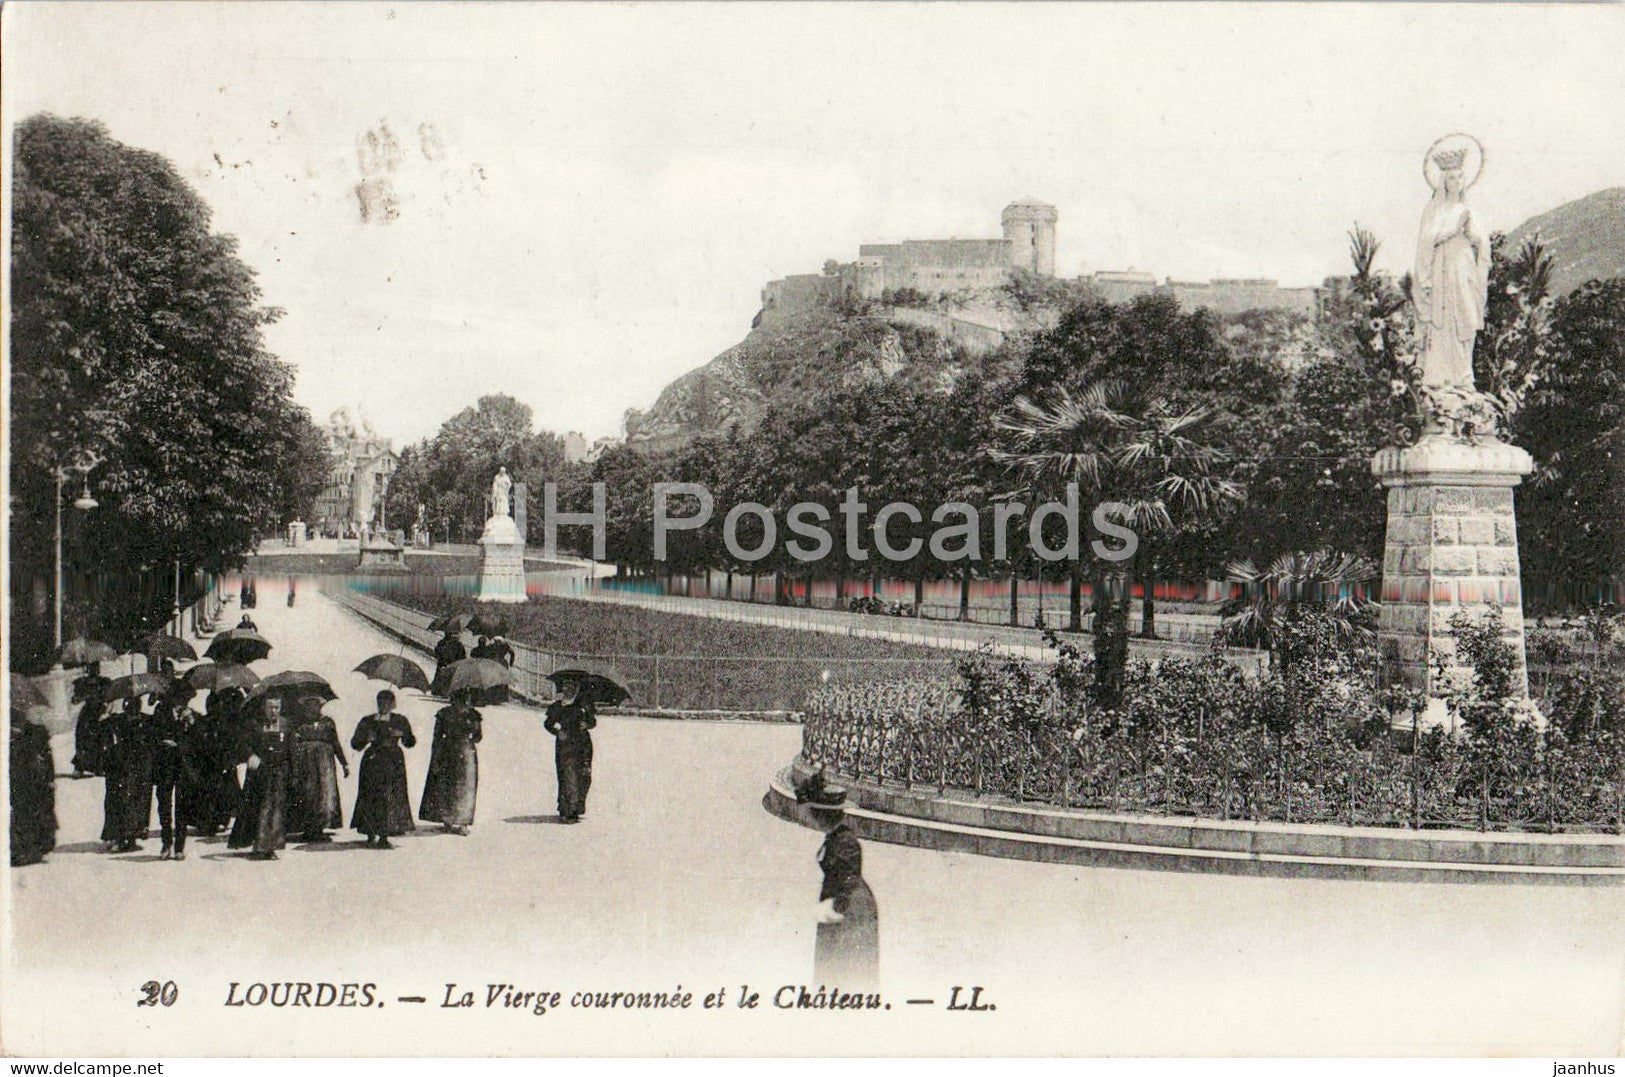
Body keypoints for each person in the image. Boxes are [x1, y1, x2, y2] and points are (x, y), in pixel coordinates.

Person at [1413, 142, 1490, 394]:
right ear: (1443, 181)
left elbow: (1481, 243)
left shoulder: (1468, 210)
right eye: (1451, 178)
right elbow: (1426, 239)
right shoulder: (1434, 209)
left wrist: (1472, 235)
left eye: (1460, 177)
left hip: (1464, 270)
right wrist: (1450, 231)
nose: (1457, 182)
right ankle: (1440, 375)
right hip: (1441, 273)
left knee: (1465, 318)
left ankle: (1464, 375)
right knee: (1443, 320)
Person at [806, 785, 879, 989]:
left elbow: (849, 878)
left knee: (846, 963)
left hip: (851, 904)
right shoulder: (836, 836)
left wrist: (836, 906)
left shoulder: (845, 841)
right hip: (841, 898)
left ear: (823, 817)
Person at [351, 691, 416, 848]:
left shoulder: (400, 720)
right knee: (370, 795)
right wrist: (366, 738)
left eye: (387, 702)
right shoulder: (368, 721)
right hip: (373, 761)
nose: (383, 705)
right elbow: (355, 744)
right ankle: (370, 831)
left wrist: (402, 735)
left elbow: (410, 742)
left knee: (390, 796)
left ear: (393, 704)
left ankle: (385, 835)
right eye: (380, 702)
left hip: (393, 761)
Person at [229, 696, 291, 860]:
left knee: (275, 810)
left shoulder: (285, 724)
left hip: (278, 773)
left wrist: (292, 771)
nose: (273, 711)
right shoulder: (254, 724)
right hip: (259, 773)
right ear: (264, 708)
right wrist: (250, 755)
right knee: (258, 808)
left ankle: (270, 846)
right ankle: (259, 845)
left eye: (277, 707)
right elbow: (242, 743)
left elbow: (292, 749)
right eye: (270, 707)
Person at [149, 681, 201, 861]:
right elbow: (153, 735)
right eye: (180, 699)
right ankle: (166, 844)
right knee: (164, 805)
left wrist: (192, 724)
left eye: (186, 699)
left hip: (184, 766)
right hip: (165, 764)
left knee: (183, 806)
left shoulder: (192, 715)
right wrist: (164, 741)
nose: (183, 703)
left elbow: (200, 740)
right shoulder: (160, 711)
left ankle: (179, 846)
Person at [287, 696, 349, 843]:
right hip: (305, 764)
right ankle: (308, 829)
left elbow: (335, 743)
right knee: (307, 793)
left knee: (324, 794)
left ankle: (320, 828)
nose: (311, 708)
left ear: (320, 706)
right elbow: (292, 744)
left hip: (324, 764)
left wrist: (344, 763)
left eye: (315, 705)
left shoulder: (328, 722)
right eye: (308, 705)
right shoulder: (299, 724)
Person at [419, 690, 482, 834]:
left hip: (465, 753)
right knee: (446, 785)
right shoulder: (444, 714)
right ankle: (447, 819)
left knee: (465, 786)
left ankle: (463, 822)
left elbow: (478, 737)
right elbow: (437, 736)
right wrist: (435, 754)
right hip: (448, 752)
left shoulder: (473, 715)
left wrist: (471, 731)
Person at [100, 695, 155, 853]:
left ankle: (129, 836)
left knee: (133, 800)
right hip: (128, 767)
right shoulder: (120, 720)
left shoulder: (143, 721)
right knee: (127, 800)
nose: (132, 710)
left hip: (137, 767)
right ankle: (125, 835)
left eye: (134, 706)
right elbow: (103, 728)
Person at [189, 686, 247, 835]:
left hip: (223, 754)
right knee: (211, 789)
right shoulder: (208, 717)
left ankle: (221, 818)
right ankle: (211, 820)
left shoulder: (230, 707)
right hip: (212, 755)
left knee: (224, 787)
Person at [10, 705, 57, 867]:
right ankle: (34, 847)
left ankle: (29, 849)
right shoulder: (30, 737)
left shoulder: (26, 740)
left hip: (28, 781)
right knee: (31, 813)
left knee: (26, 814)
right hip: (32, 782)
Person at [543, 685, 596, 823]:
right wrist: (557, 732)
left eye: (572, 685)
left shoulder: (584, 704)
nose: (568, 689)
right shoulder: (558, 706)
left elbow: (593, 721)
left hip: (583, 744)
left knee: (584, 775)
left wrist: (587, 724)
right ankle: (567, 809)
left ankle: (577, 806)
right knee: (567, 775)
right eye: (566, 686)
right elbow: (548, 723)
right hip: (565, 744)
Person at [71, 671, 111, 778]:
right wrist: (83, 695)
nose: (93, 669)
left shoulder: (104, 682)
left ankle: (99, 767)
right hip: (87, 714)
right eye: (91, 666)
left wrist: (106, 707)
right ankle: (79, 767)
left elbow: (109, 696)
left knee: (101, 739)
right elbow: (74, 700)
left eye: (95, 665)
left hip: (100, 711)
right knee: (82, 739)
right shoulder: (82, 682)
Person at [430, 629, 466, 697]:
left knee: (440, 677)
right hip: (452, 663)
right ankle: (445, 692)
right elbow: (462, 655)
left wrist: (440, 657)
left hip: (442, 662)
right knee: (449, 678)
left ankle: (437, 690)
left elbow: (437, 651)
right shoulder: (459, 645)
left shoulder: (441, 642)